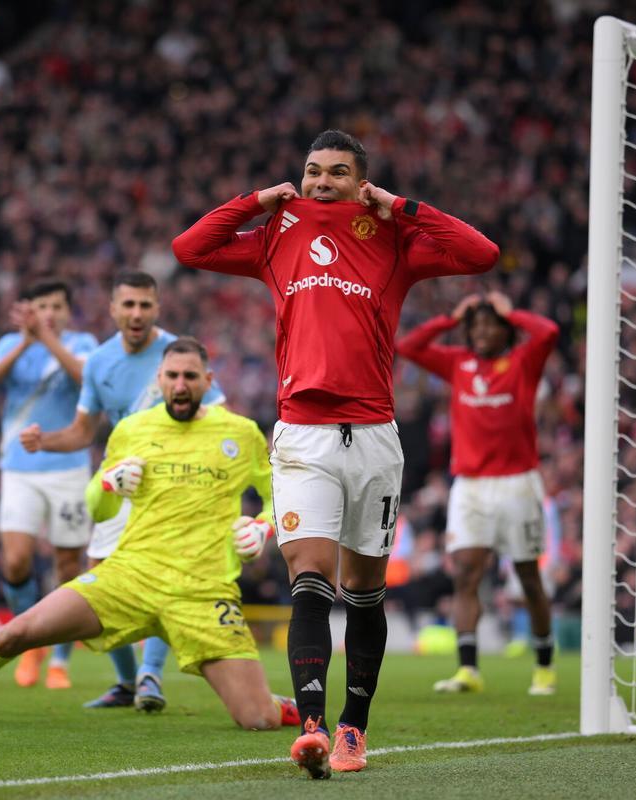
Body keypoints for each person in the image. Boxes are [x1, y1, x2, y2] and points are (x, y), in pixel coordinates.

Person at [173, 129, 498, 778]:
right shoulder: (276, 233)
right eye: (313, 171)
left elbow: (481, 254)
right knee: (310, 584)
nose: (322, 182)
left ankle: (355, 726)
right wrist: (258, 201)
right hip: (303, 435)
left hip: (375, 437)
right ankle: (315, 729)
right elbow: (191, 246)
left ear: (361, 180)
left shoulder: (396, 238)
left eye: (338, 172)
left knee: (365, 593)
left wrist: (399, 206)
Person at [0, 338, 300, 732]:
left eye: (190, 376)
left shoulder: (241, 434)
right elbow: (97, 507)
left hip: (203, 591)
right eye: (172, 375)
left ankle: (272, 703)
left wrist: (262, 528)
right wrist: (108, 484)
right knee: (16, 632)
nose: (180, 385)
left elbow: (278, 496)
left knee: (257, 720)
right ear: (158, 379)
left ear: (208, 382)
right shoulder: (131, 430)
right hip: (128, 578)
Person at [19, 270, 225, 712]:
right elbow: (82, 431)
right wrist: (45, 441)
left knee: (160, 579)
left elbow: (218, 410)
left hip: (170, 486)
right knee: (99, 578)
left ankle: (150, 674)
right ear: (112, 309)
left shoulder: (175, 355)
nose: (136, 313)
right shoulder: (98, 362)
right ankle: (129, 682)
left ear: (157, 308)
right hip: (118, 480)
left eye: (144, 305)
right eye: (127, 305)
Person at [396, 291, 560, 696]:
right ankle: (468, 668)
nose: (483, 331)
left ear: (506, 329)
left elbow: (549, 331)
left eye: (491, 324)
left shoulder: (523, 362)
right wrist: (451, 319)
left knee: (527, 577)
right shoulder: (458, 363)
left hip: (517, 483)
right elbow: (408, 346)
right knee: (466, 572)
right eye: (477, 325)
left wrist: (513, 311)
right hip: (469, 485)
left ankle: (544, 665)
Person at [0, 278, 98, 690]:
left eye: (56, 306)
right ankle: (30, 646)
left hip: (67, 466)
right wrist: (26, 343)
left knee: (67, 565)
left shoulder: (83, 343)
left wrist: (46, 339)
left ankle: (60, 659)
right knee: (15, 561)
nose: (49, 313)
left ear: (67, 312)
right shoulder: (13, 343)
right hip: (20, 465)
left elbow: (86, 380)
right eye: (41, 305)